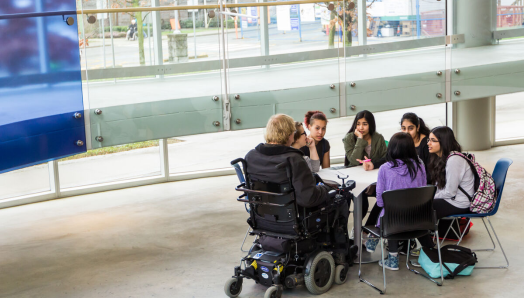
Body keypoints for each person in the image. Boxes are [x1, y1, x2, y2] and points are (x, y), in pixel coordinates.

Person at [364, 132, 427, 270]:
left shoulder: (385, 168)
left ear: (391, 148)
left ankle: (390, 257)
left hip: (393, 221)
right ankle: (373, 238)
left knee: (388, 212)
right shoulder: (420, 164)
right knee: (392, 212)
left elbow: (380, 199)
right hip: (418, 217)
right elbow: (423, 187)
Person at [245, 114, 332, 209]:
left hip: (261, 215)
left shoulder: (250, 156)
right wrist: (327, 188)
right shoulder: (294, 159)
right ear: (289, 134)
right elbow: (308, 198)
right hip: (293, 216)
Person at [359, 112, 431, 173]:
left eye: (411, 128)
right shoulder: (401, 141)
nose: (406, 132)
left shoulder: (427, 143)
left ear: (418, 127)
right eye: (403, 128)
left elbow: (429, 170)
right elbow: (390, 157)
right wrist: (373, 165)